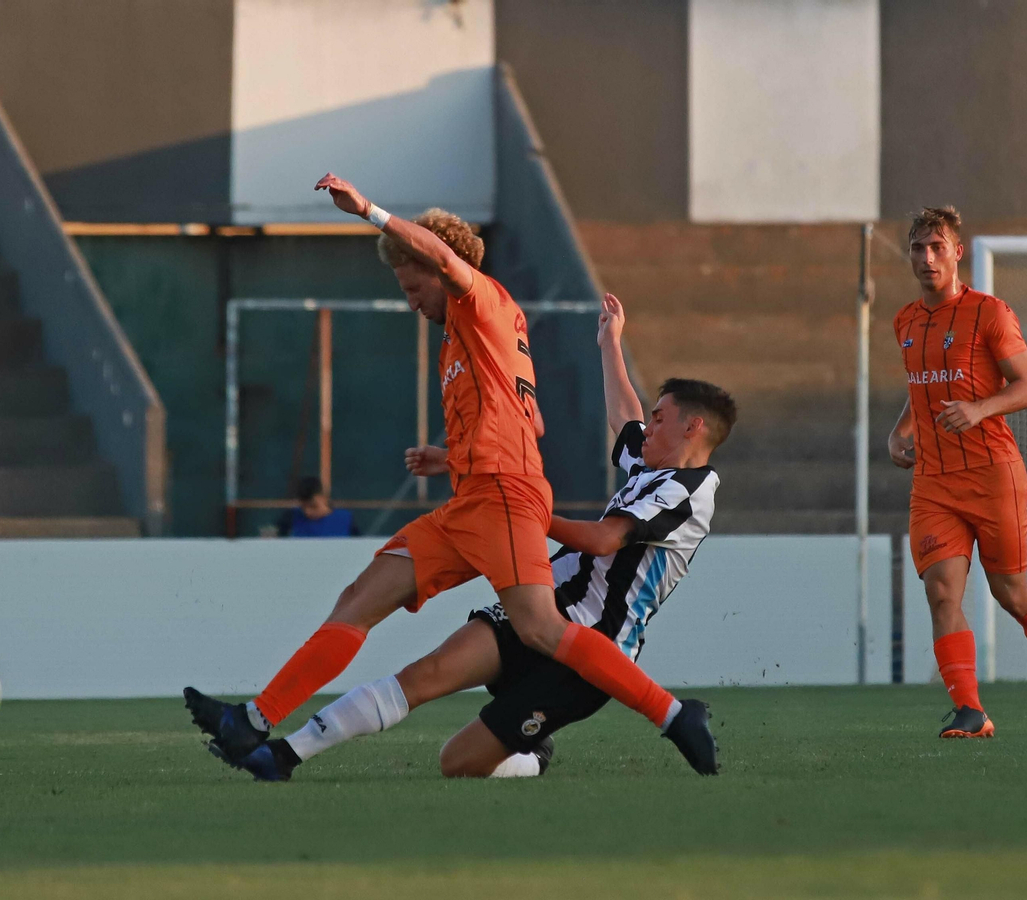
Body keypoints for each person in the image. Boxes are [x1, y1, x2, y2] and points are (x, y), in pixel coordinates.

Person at [182, 173, 719, 776]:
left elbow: (446, 268)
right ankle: (252, 725)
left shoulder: (480, 298)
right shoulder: (466, 337)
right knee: (358, 600)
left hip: (507, 498)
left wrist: (369, 211)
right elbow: (531, 421)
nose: (412, 301)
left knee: (540, 628)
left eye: (415, 285)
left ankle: (673, 716)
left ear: (442, 269)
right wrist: (454, 456)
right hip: (472, 500)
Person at [886, 206, 1027, 739]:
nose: (927, 258)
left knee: (1011, 594)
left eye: (937, 247)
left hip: (993, 473)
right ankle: (970, 710)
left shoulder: (990, 313)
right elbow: (922, 384)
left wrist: (978, 409)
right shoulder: (904, 320)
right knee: (942, 592)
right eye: (918, 248)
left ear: (957, 253)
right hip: (934, 481)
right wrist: (899, 431)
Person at [276, 477, 358, 537]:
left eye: (313, 506)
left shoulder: (346, 520)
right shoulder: (290, 519)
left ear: (325, 498)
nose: (307, 512)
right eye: (303, 507)